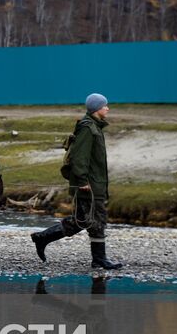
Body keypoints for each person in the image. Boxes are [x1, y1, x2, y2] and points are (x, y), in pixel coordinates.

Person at [31, 93, 124, 270]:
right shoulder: (88, 129)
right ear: (97, 108)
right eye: (105, 105)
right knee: (91, 220)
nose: (108, 108)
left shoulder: (95, 127)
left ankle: (44, 238)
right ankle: (99, 259)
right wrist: (82, 181)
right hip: (88, 186)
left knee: (89, 220)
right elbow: (79, 159)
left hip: (95, 184)